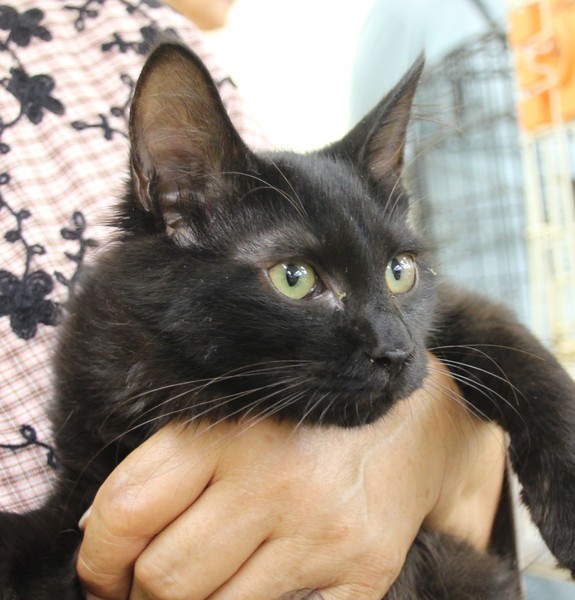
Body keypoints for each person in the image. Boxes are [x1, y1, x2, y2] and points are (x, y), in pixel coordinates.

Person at [0, 1, 506, 598]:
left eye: (400, 272)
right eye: (295, 278)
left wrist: (419, 450)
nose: (392, 344)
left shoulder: (132, 25)